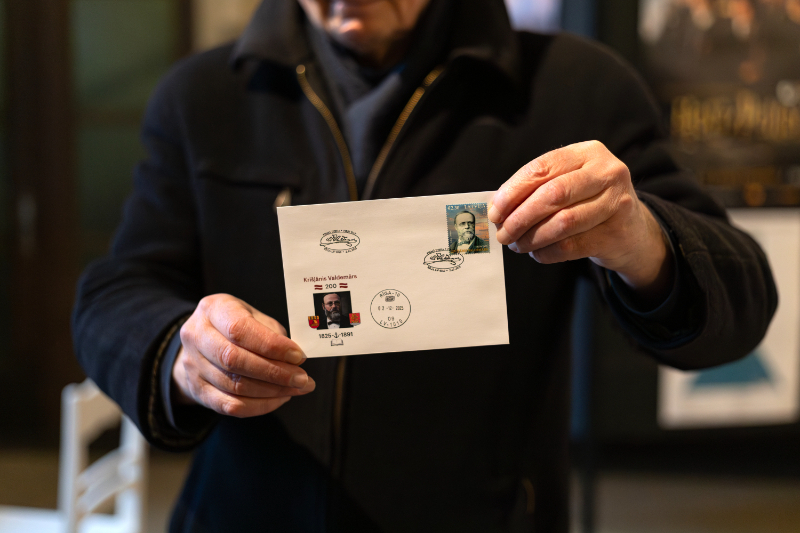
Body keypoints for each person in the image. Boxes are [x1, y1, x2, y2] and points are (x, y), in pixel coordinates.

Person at [71, 0, 778, 531]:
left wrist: (642, 238)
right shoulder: (206, 97)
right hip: (244, 510)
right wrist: (181, 351)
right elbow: (117, 288)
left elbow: (743, 300)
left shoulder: (571, 90)